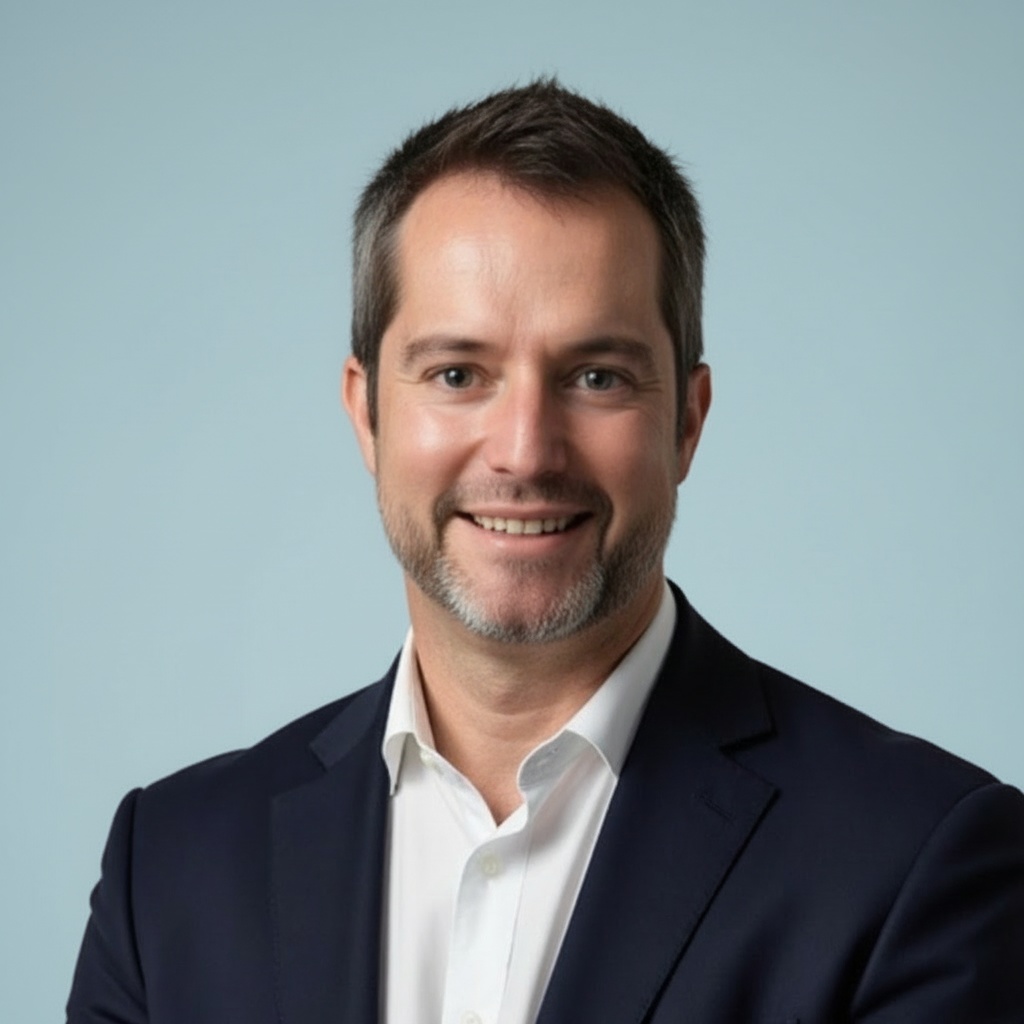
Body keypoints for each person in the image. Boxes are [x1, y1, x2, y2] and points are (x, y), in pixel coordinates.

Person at [68, 79, 1024, 1024]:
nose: (525, 451)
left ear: (688, 422)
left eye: (597, 377)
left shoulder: (917, 862)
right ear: (366, 411)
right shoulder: (171, 872)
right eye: (457, 374)